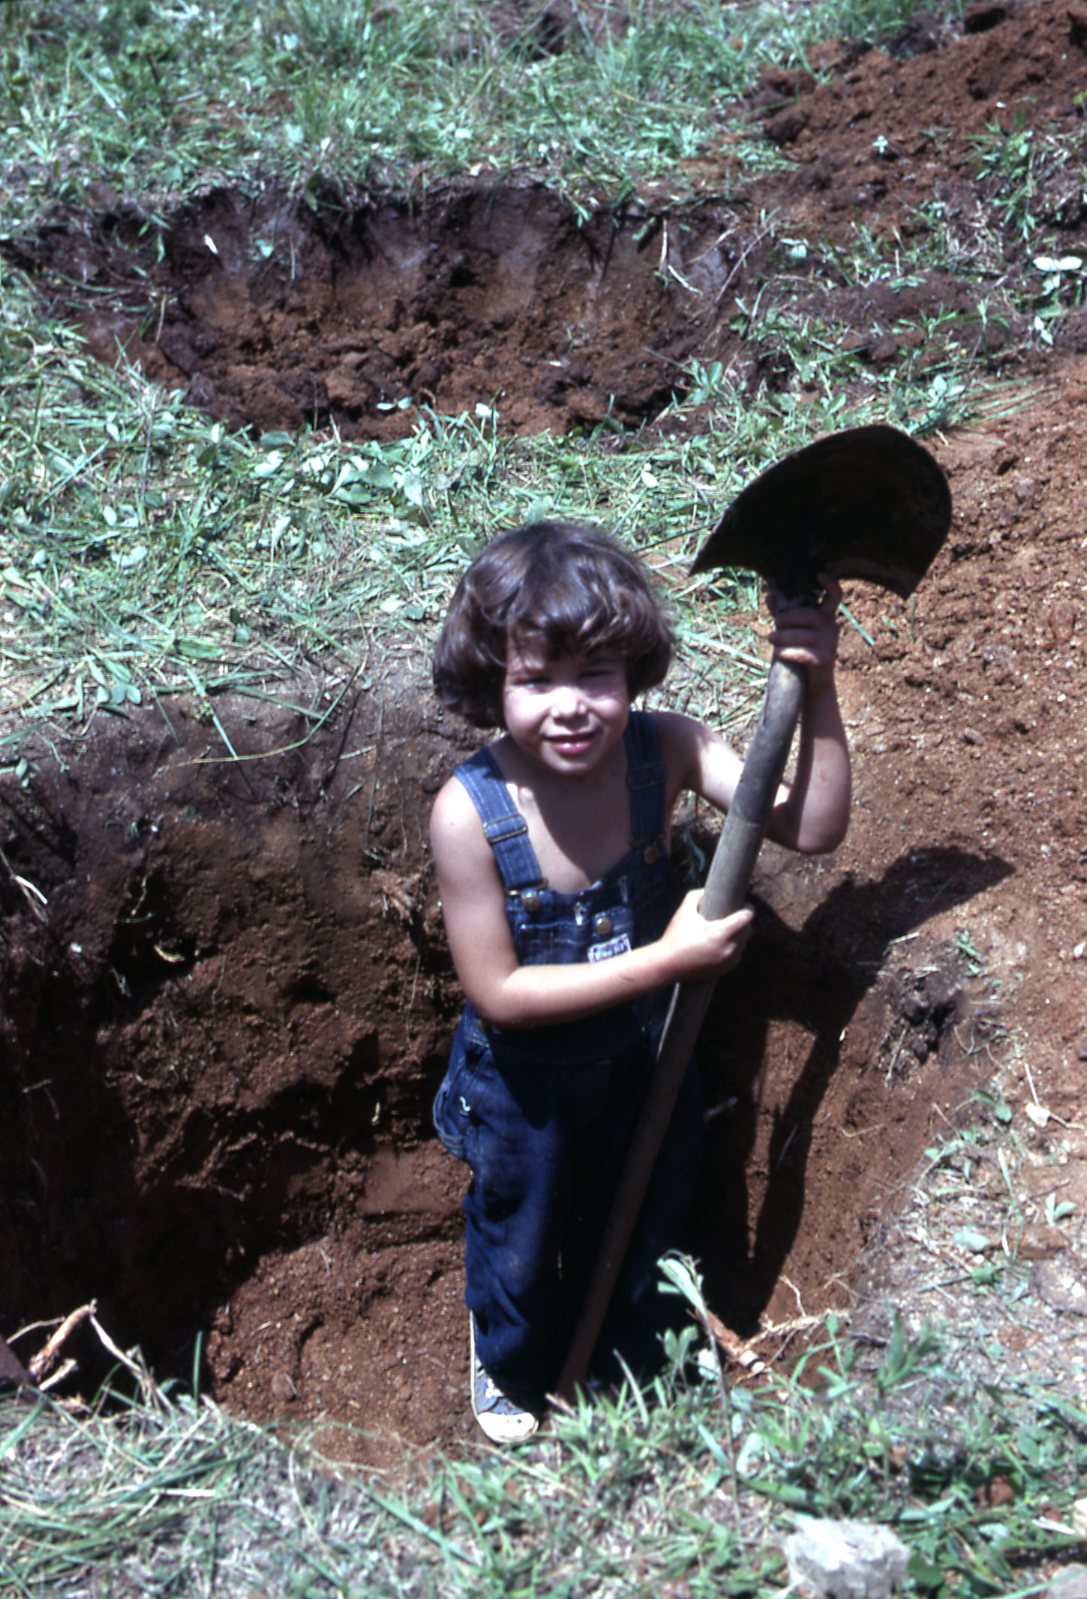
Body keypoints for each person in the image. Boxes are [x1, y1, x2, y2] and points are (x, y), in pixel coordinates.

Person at [429, 520, 850, 1442]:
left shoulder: (668, 752)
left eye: (596, 676)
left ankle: (628, 1364)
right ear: (492, 680)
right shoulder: (469, 813)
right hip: (523, 1092)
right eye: (536, 681)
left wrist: (815, 685)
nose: (571, 707)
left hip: (642, 1061)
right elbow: (499, 994)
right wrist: (667, 961)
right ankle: (508, 1358)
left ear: (633, 670)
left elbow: (812, 827)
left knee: (647, 1220)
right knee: (522, 1239)